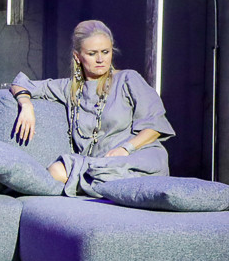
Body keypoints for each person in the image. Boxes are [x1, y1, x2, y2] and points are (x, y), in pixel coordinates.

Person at [10, 20, 174, 197]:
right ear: (77, 56)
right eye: (92, 53)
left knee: (74, 172)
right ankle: (110, 187)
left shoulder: (128, 79)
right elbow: (20, 84)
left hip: (137, 157)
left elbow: (155, 126)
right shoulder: (69, 88)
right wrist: (26, 105)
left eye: (106, 52)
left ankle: (113, 186)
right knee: (57, 170)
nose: (100, 59)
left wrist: (125, 149)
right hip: (97, 164)